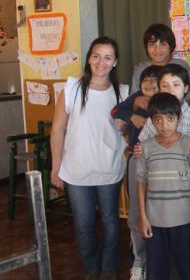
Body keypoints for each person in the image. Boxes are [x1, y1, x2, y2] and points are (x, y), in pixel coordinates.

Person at [50, 37, 128, 280]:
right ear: (89, 58)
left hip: (109, 169)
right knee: (83, 225)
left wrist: (125, 126)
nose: (101, 62)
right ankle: (92, 269)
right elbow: (57, 130)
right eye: (96, 55)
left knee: (110, 221)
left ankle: (108, 267)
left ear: (115, 62)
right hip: (76, 171)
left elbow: (130, 131)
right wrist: (56, 167)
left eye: (107, 57)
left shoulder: (123, 93)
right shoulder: (72, 88)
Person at [136, 63, 190, 277]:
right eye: (165, 85)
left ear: (186, 87)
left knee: (188, 258)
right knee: (158, 264)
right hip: (157, 204)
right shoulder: (153, 123)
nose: (165, 124)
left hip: (187, 200)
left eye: (175, 84)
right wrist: (140, 148)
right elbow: (143, 148)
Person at [111, 64, 160, 280]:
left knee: (158, 213)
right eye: (145, 81)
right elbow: (115, 111)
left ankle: (158, 261)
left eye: (154, 81)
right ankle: (139, 262)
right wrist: (132, 115)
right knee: (136, 213)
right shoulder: (135, 98)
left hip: (160, 162)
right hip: (136, 159)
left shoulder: (165, 102)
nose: (149, 84)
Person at [131, 23, 190, 101]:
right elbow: (133, 100)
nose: (157, 50)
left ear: (171, 47)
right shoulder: (140, 70)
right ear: (146, 47)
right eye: (152, 44)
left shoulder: (180, 65)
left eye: (163, 44)